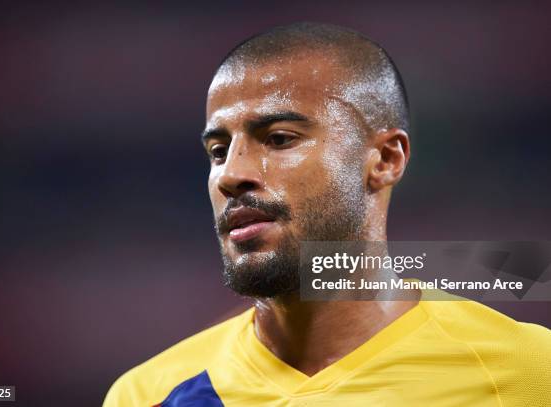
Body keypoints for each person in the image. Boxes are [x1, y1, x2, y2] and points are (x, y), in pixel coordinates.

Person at [103, 22, 551, 406]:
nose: (230, 175)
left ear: (385, 160)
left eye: (279, 139)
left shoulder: (527, 374)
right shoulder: (149, 393)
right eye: (219, 152)